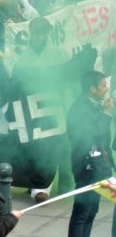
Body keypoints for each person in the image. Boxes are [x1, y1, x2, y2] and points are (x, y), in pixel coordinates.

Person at [67, 70, 113, 237]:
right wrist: (107, 114)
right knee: (81, 213)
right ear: (92, 88)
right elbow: (93, 134)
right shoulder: (79, 109)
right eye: (102, 85)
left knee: (92, 211)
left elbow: (105, 139)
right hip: (86, 168)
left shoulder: (96, 104)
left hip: (100, 167)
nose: (106, 88)